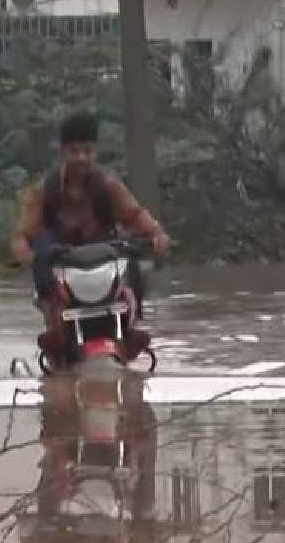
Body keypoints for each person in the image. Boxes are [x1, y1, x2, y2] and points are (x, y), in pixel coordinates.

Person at [11, 112, 171, 361]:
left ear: (95, 152)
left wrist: (156, 235)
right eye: (75, 151)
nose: (82, 158)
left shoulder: (108, 186)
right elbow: (23, 234)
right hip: (62, 265)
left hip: (103, 262)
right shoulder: (45, 190)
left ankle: (134, 323)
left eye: (87, 151)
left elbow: (135, 215)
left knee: (133, 264)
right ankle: (55, 329)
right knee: (41, 259)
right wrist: (26, 254)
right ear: (63, 152)